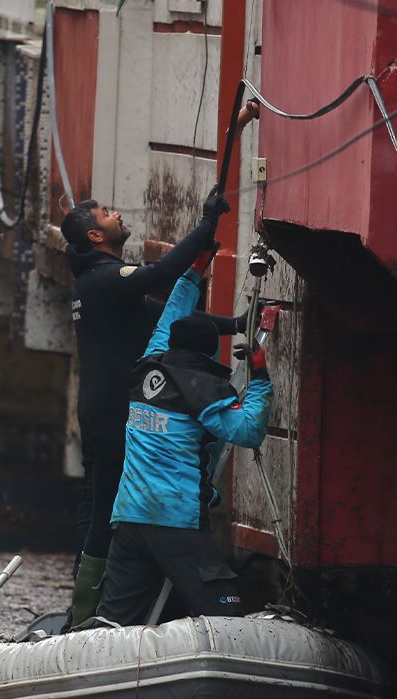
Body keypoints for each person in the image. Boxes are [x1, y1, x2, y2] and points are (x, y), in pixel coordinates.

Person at [60, 193, 243, 627]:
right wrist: (204, 225)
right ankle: (86, 613)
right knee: (106, 508)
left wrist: (236, 326)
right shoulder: (104, 278)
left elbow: (171, 320)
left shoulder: (103, 288)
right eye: (108, 214)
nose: (118, 214)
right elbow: (162, 272)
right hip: (111, 416)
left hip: (102, 411)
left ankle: (99, 605)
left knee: (100, 505)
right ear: (95, 234)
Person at [91, 257, 275, 628]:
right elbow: (248, 431)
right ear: (208, 355)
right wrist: (260, 375)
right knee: (226, 609)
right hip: (176, 521)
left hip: (128, 518)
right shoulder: (204, 393)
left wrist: (194, 271)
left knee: (113, 621)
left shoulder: (148, 367)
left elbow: (170, 317)